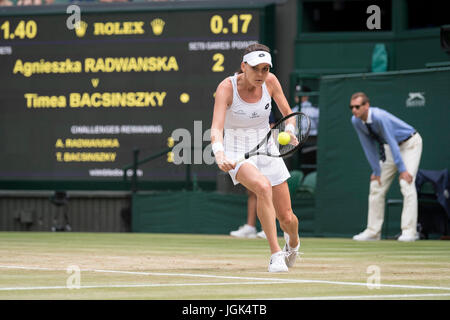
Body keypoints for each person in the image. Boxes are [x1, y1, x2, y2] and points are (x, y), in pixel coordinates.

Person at [211, 43, 300, 272]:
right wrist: (219, 153)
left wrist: (290, 131)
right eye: (255, 68)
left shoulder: (271, 82)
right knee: (262, 186)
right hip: (235, 150)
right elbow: (216, 128)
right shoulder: (226, 88)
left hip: (268, 148)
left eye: (265, 69)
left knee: (287, 219)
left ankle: (293, 243)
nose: (261, 74)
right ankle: (275, 255)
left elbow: (289, 115)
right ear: (243, 66)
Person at [350, 92, 423, 242]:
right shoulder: (356, 121)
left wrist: (402, 170)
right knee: (376, 185)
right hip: (391, 148)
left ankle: (409, 232)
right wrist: (376, 170)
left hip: (410, 144)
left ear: (366, 106)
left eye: (357, 107)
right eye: (351, 107)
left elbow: (391, 139)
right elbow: (368, 145)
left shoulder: (379, 117)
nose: (354, 110)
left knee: (406, 183)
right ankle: (373, 231)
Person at [229, 110, 277, 240]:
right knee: (252, 191)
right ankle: (250, 227)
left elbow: (271, 126)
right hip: (248, 150)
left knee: (267, 189)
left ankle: (267, 228)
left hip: (265, 152)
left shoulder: (264, 106)